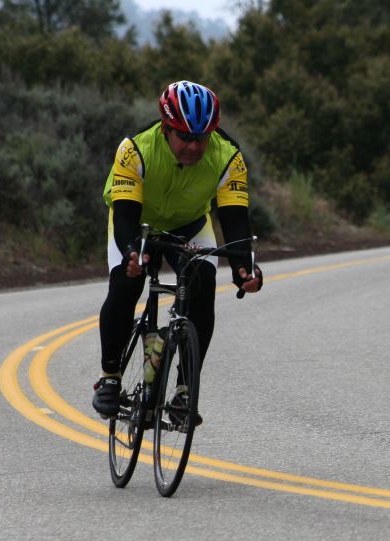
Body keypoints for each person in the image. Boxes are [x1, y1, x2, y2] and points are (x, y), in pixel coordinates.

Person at [92, 80, 263, 424]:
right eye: (184, 136)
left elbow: (234, 217)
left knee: (202, 286)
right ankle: (110, 378)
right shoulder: (135, 149)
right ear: (167, 128)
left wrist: (244, 268)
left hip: (189, 224)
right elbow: (125, 213)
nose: (194, 146)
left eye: (202, 138)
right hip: (137, 222)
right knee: (125, 286)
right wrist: (133, 254)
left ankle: (185, 391)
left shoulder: (228, 155)